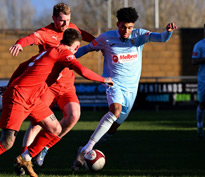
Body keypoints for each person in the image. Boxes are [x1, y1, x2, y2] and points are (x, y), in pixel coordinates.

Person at [0, 28, 113, 177]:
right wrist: (104, 79)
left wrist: (10, 85)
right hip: (19, 97)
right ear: (75, 47)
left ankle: (25, 158)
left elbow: (22, 66)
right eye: (76, 49)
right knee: (7, 141)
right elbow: (82, 70)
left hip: (32, 99)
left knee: (55, 128)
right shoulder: (64, 52)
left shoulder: (48, 52)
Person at [71, 7, 177, 171]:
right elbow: (85, 49)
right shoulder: (106, 38)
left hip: (131, 89)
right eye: (123, 27)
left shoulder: (139, 35)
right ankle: (85, 150)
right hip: (114, 83)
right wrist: (67, 57)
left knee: (114, 126)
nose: (126, 31)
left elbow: (162, 38)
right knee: (115, 111)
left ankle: (92, 144)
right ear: (117, 24)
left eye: (129, 27)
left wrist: (168, 31)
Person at [8, 2, 95, 167]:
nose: (65, 24)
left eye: (68, 20)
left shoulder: (72, 29)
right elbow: (31, 38)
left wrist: (99, 43)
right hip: (47, 87)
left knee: (74, 115)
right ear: (54, 18)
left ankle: (45, 148)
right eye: (61, 20)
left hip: (67, 86)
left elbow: (83, 34)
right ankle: (23, 159)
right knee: (37, 124)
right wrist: (20, 43)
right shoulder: (45, 33)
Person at [192, 21, 205, 139]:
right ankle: (199, 125)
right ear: (204, 31)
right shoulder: (199, 45)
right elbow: (194, 61)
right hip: (204, 80)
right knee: (202, 104)